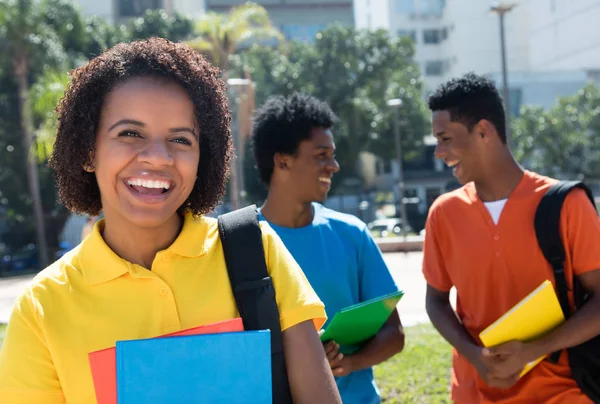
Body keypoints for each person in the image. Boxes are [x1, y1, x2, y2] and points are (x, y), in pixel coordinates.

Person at [0, 38, 342, 404]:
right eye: (130, 133)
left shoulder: (255, 250)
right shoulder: (42, 308)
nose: (158, 158)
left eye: (180, 139)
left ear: (202, 158)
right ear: (87, 151)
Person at [423, 72, 600, 403]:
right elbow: (435, 299)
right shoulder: (443, 214)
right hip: (474, 393)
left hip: (562, 392)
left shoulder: (567, 204)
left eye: (445, 138)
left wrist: (535, 350)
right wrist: (474, 356)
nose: (438, 152)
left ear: (484, 131)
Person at [252, 93, 405, 404]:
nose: (334, 166)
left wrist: (346, 364)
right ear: (282, 161)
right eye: (322, 155)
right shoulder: (242, 242)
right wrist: (302, 360)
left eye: (332, 155)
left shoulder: (352, 234)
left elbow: (395, 335)